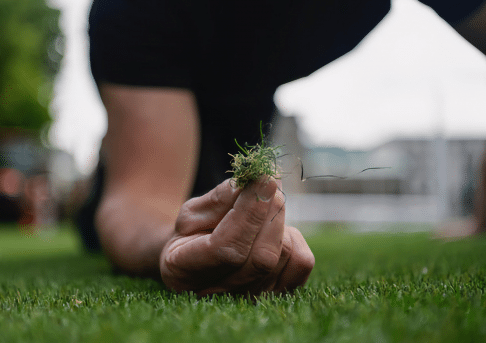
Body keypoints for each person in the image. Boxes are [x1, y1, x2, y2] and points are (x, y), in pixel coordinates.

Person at [78, 0, 486, 296]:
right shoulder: (133, 13)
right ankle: (104, 170)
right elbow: (140, 201)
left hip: (249, 101)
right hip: (158, 92)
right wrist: (169, 243)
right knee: (177, 214)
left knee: (228, 202)